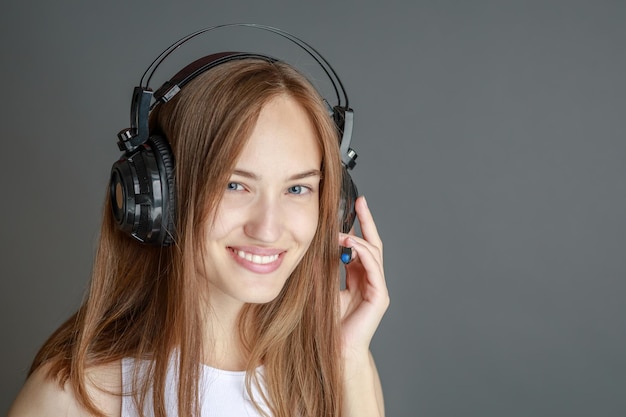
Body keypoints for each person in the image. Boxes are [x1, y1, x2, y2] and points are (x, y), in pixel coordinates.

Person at [8, 33, 389, 417]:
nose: (269, 229)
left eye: (297, 188)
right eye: (234, 185)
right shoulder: (75, 396)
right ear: (160, 198)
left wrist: (348, 358)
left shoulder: (338, 368)